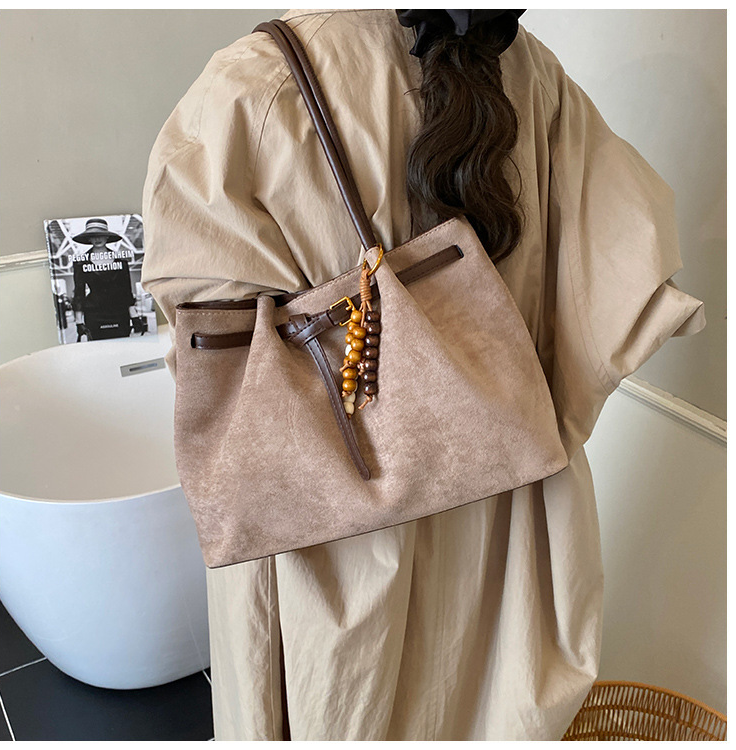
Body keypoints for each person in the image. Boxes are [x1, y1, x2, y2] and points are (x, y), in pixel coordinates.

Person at [141, 10, 706, 740]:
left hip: (333, 554)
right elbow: (626, 289)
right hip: (509, 534)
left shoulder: (252, 88)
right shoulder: (530, 71)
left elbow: (205, 358)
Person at [71, 218, 137, 340]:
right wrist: (79, 322)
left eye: (101, 235)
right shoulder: (80, 263)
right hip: (94, 314)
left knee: (123, 346)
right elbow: (79, 294)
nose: (97, 239)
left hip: (119, 312)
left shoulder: (121, 262)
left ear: (107, 237)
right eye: (93, 236)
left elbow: (126, 291)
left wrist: (134, 317)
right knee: (99, 348)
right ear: (89, 239)